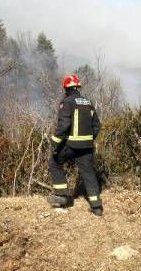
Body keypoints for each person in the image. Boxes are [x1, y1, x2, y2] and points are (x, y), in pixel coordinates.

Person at [47, 74, 103, 216]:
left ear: (66, 88)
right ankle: (97, 207)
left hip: (71, 146)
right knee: (88, 173)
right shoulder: (88, 102)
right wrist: (88, 139)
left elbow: (64, 126)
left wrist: (54, 142)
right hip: (87, 147)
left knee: (54, 162)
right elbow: (97, 126)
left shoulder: (66, 102)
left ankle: (63, 196)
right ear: (78, 87)